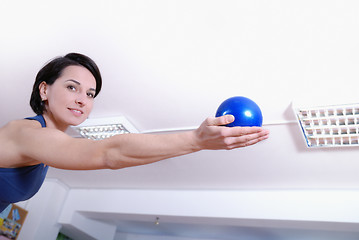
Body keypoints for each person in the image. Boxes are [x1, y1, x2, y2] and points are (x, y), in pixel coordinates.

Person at [0, 53, 269, 212]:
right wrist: (196, 140)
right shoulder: (27, 133)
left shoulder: (48, 143)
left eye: (90, 93)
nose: (83, 99)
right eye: (72, 87)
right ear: (44, 90)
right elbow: (109, 153)